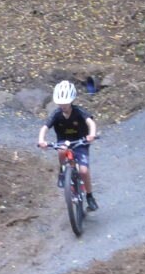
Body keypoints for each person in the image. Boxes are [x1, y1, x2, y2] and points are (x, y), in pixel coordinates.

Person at [37, 80, 99, 211]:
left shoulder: (79, 112)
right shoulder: (56, 114)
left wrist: (91, 135)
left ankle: (89, 196)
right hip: (64, 142)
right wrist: (42, 140)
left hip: (80, 142)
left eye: (65, 102)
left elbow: (91, 123)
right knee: (61, 151)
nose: (62, 105)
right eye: (60, 102)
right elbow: (44, 128)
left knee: (83, 171)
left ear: (71, 100)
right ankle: (63, 171)